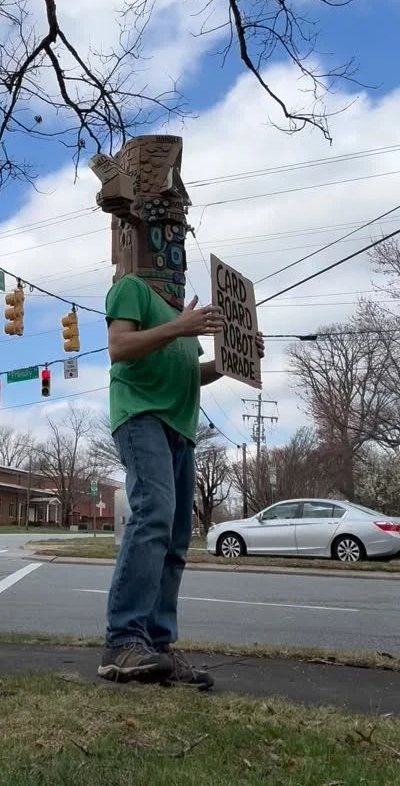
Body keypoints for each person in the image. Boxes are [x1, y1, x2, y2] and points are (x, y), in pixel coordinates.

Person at [97, 276, 265, 686]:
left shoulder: (182, 314)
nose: (174, 254)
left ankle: (157, 647)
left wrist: (234, 360)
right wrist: (178, 327)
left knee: (175, 538)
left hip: (182, 428)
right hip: (141, 415)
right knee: (153, 514)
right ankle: (122, 641)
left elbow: (193, 372)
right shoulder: (132, 288)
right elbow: (119, 347)